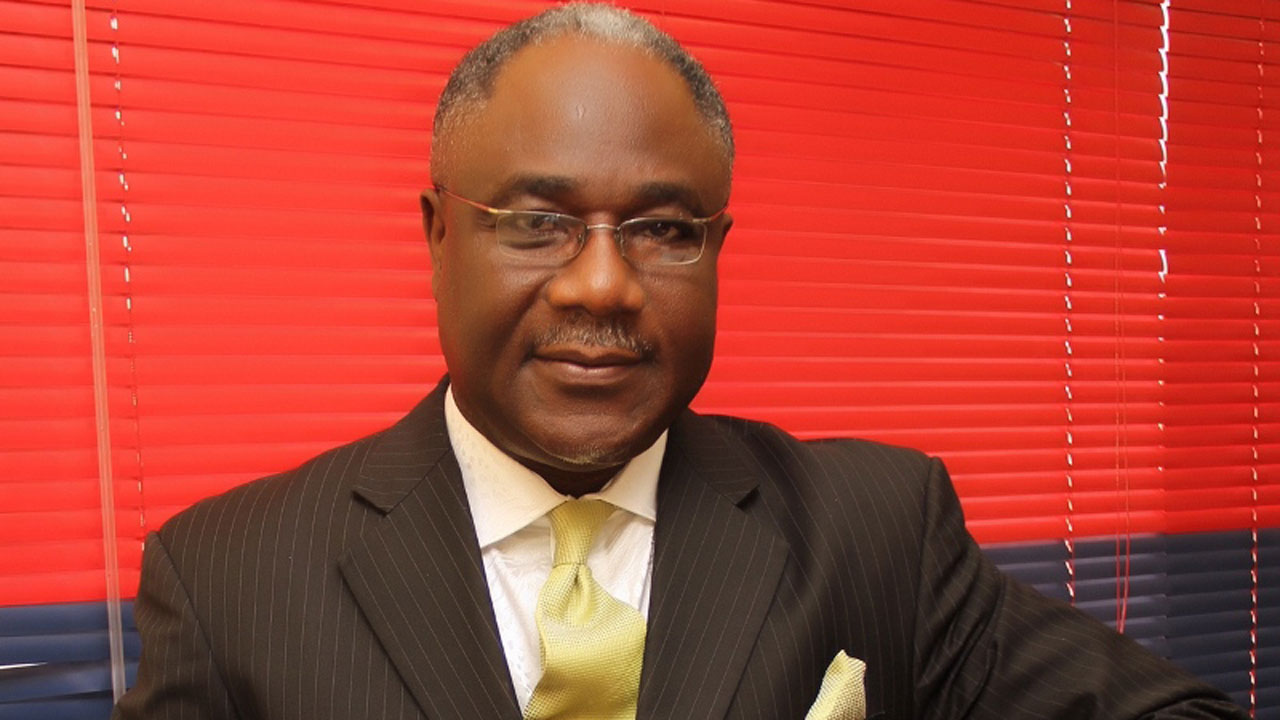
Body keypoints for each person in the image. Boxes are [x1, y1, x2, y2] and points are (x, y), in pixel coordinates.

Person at [112, 4, 1247, 719]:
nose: (602, 286)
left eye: (663, 230)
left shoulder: (877, 531)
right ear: (438, 233)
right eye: (536, 222)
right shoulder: (229, 583)